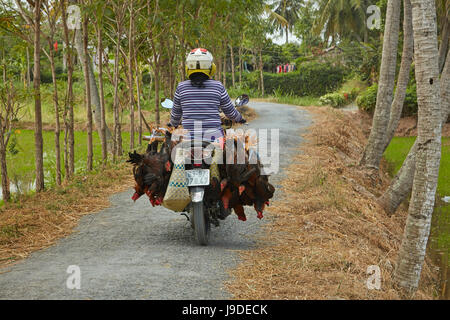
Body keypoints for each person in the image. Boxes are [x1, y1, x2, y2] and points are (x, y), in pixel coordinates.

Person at [169, 48, 246, 144]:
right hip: (214, 139)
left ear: (187, 68)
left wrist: (173, 124)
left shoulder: (181, 87)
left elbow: (176, 115)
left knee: (175, 157)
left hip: (188, 140)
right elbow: (230, 112)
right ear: (211, 68)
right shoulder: (218, 86)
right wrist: (240, 118)